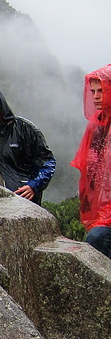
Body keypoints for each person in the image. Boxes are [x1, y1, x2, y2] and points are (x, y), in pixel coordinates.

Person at [72, 64, 111, 258]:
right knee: (96, 239)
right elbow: (89, 171)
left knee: (97, 238)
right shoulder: (96, 127)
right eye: (93, 91)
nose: (95, 96)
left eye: (101, 90)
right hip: (103, 212)